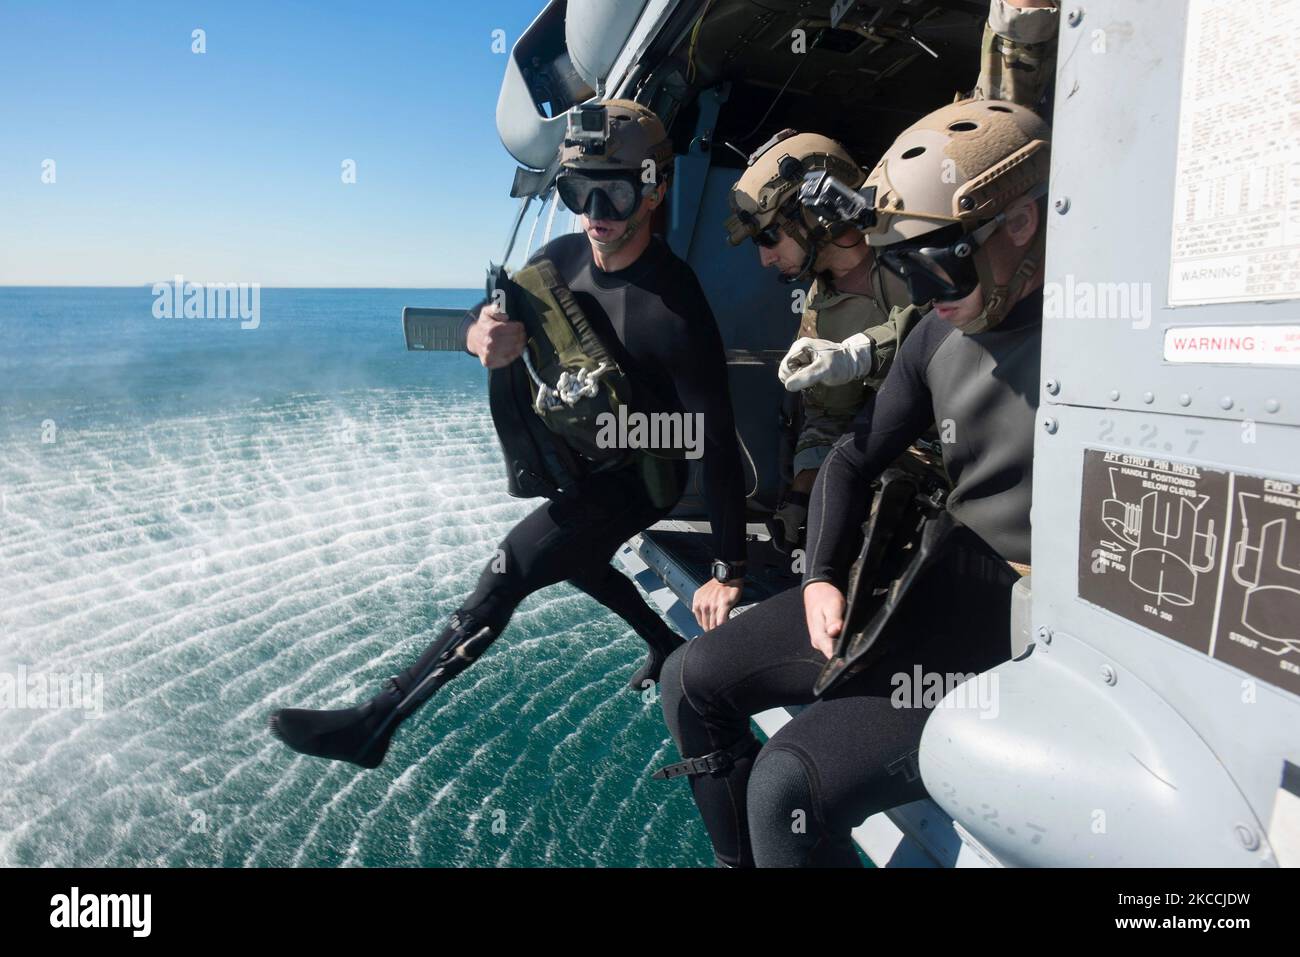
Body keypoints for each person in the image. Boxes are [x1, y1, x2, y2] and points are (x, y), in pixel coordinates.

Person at [270, 100, 749, 770]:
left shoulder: (673, 305)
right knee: (576, 556)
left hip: (643, 474)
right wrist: (477, 335)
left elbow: (716, 439)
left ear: (655, 188)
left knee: (510, 569)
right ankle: (661, 641)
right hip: (582, 455)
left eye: (614, 190)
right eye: (577, 191)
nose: (596, 212)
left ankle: (375, 724)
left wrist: (728, 568)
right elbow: (494, 308)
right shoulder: (561, 258)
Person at [656, 98, 1051, 866]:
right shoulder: (937, 331)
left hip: (1017, 621)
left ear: (1021, 224)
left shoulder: (1100, 336)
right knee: (688, 679)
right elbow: (850, 457)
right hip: (934, 573)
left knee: (786, 790)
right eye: (904, 266)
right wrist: (822, 577)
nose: (926, 289)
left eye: (938, 260)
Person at [725, 133, 917, 551]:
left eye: (769, 238)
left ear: (813, 213)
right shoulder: (820, 305)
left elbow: (946, 323)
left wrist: (862, 353)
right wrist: (802, 495)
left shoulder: (915, 243)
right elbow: (828, 416)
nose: (765, 259)